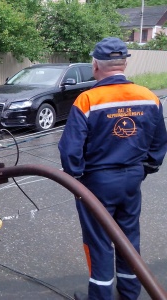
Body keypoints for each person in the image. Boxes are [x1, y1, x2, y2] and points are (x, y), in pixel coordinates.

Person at [58, 37, 167, 300]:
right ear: (124, 63)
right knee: (128, 238)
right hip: (132, 180)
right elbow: (159, 142)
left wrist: (76, 178)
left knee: (99, 242)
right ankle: (129, 294)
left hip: (96, 183)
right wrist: (146, 168)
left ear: (95, 65)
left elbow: (70, 150)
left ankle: (101, 297)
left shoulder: (87, 100)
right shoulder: (149, 97)